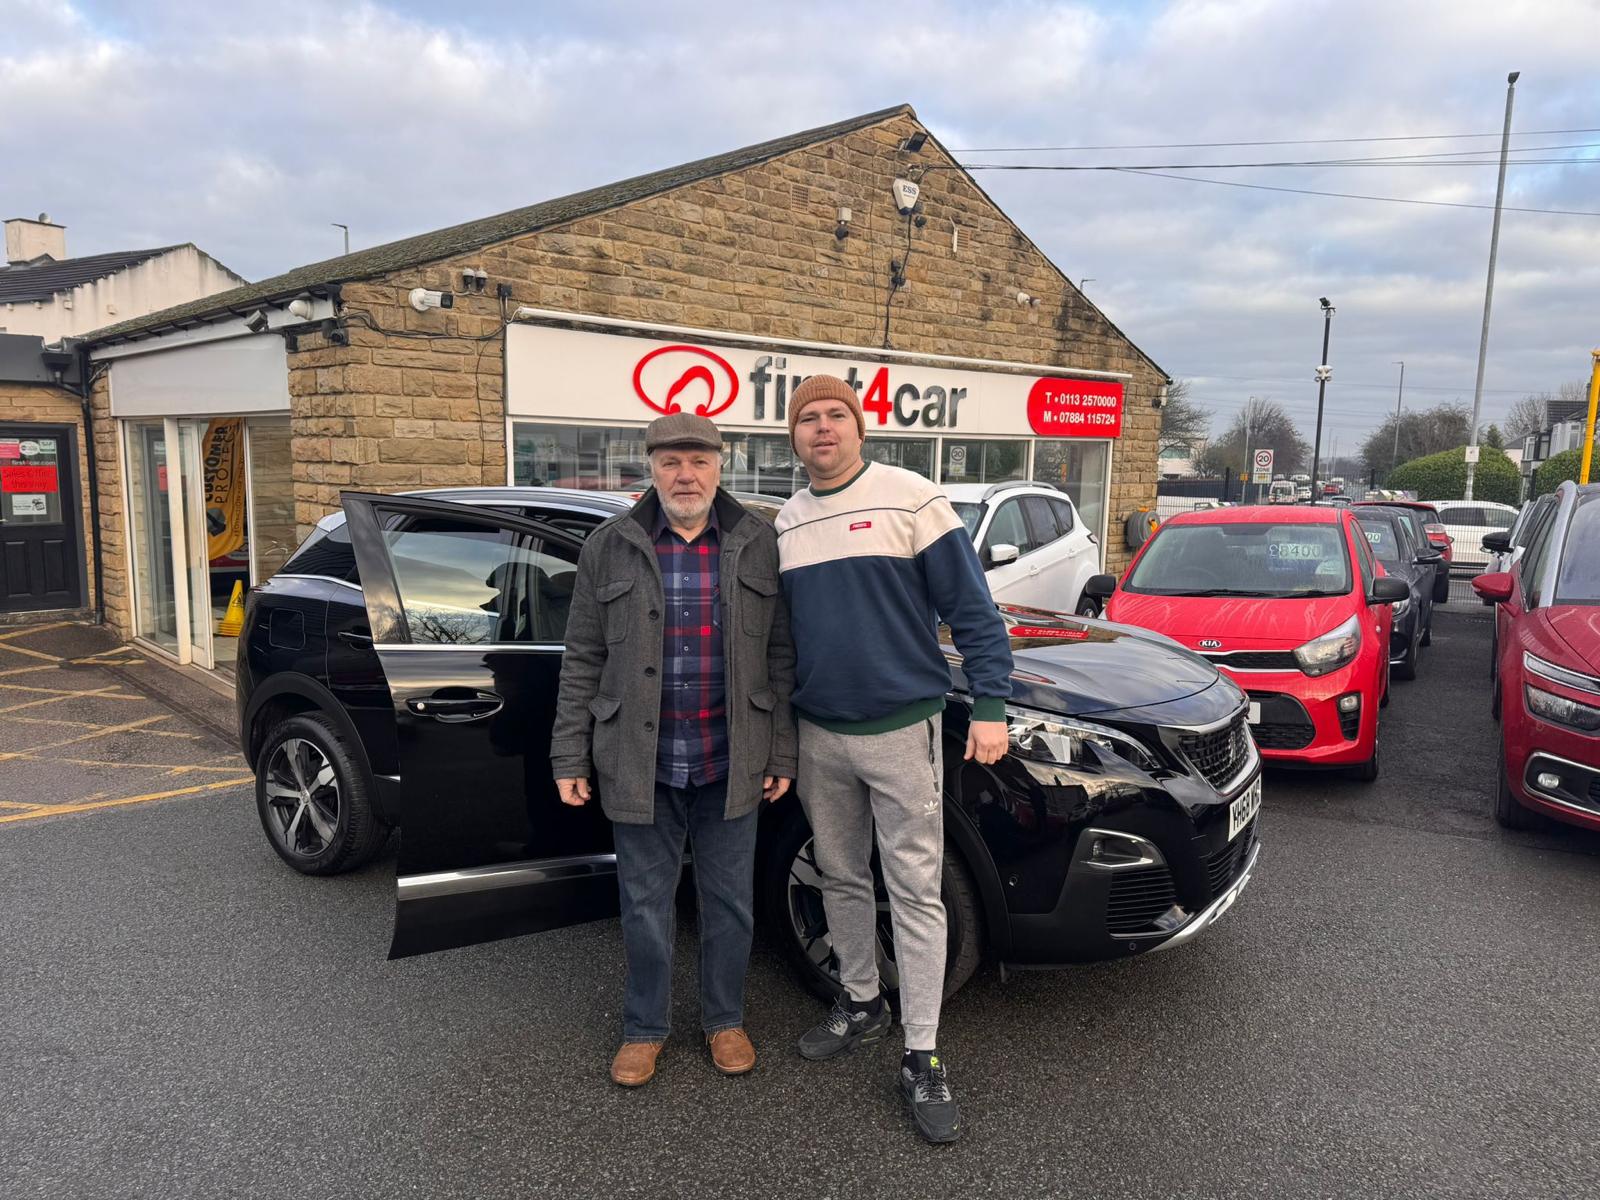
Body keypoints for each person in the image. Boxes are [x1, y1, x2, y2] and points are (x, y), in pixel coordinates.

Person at [776, 374, 1014, 1144]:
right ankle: (860, 1001)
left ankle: (922, 1052)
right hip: (820, 735)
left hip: (902, 730)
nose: (822, 428)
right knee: (839, 874)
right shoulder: (786, 523)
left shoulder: (912, 497)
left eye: (835, 415)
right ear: (793, 436)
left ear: (860, 426)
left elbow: (973, 611)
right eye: (807, 418)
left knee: (914, 888)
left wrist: (989, 704)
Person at [551, 413, 797, 1087]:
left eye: (697, 461)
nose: (684, 475)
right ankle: (645, 1027)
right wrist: (568, 756)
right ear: (650, 468)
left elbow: (780, 655)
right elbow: (583, 657)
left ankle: (724, 1020)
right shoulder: (610, 545)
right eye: (669, 463)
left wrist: (781, 753)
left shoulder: (758, 541)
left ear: (721, 466)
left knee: (730, 903)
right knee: (644, 905)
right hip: (640, 761)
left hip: (730, 757)